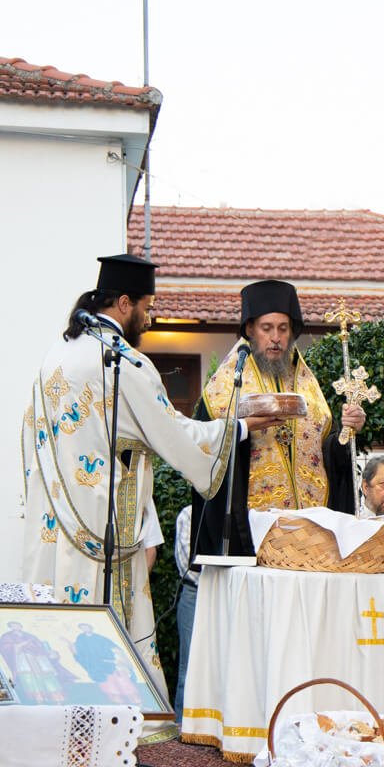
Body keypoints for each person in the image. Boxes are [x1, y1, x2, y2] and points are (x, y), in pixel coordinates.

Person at [21, 253, 274, 698]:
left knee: (57, 638)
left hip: (55, 521)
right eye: (147, 306)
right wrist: (237, 428)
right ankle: (123, 715)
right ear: (123, 303)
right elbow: (172, 434)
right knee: (108, 642)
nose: (149, 317)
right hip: (104, 527)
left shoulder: (55, 355)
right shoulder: (122, 362)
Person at [191, 279, 366, 558]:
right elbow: (206, 453)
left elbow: (326, 456)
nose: (276, 337)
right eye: (267, 328)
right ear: (250, 330)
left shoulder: (309, 387)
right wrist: (244, 428)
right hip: (249, 532)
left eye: (283, 329)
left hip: (311, 532)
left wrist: (347, 433)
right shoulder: (224, 390)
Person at [173, 503, 199, 722]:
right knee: (189, 670)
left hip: (227, 596)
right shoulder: (189, 514)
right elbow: (187, 566)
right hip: (195, 594)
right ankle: (183, 727)